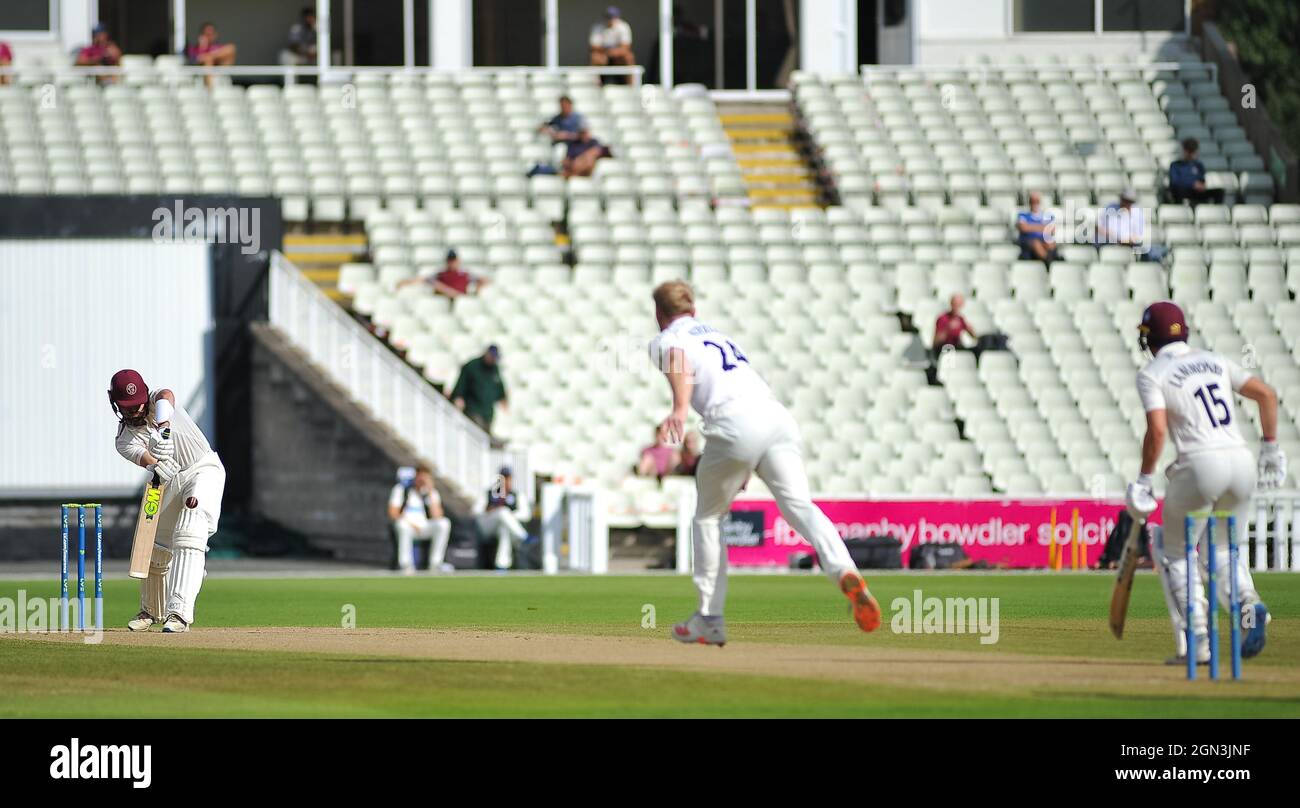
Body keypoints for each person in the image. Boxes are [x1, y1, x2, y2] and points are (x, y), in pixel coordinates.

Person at [648, 280, 880, 645]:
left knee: (708, 518)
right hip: (775, 417)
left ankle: (710, 617)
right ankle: (845, 570)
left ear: (660, 314)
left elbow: (677, 360)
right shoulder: (718, 335)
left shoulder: (667, 338)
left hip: (733, 422)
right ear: (693, 310)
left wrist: (678, 409)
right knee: (800, 506)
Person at [1125, 301, 1284, 666]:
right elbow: (1267, 395)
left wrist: (1145, 480)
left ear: (1149, 338)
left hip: (1199, 464)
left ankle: (1199, 641)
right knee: (1226, 550)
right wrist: (1271, 448)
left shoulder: (1153, 373)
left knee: (1176, 551)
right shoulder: (1214, 360)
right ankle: (1249, 606)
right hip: (1242, 462)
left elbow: (1158, 429)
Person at [109, 369, 226, 634]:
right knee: (157, 547)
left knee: (190, 530)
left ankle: (179, 614)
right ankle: (151, 611)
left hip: (202, 468)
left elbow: (166, 395)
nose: (134, 412)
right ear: (115, 403)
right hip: (167, 481)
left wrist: (163, 429)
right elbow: (147, 461)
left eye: (137, 405)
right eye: (126, 408)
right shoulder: (124, 441)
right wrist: (158, 463)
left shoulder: (157, 403)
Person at [388, 465, 453, 573]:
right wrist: (412, 524)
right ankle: (405, 564)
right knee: (402, 525)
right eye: (421, 477)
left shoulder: (431, 493)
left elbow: (438, 516)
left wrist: (430, 492)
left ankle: (435, 563)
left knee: (444, 523)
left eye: (426, 477)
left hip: (425, 527)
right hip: (408, 526)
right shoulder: (402, 490)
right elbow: (393, 513)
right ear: (415, 476)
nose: (422, 480)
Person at [479, 467, 530, 570]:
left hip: (506, 529)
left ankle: (502, 565)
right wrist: (490, 510)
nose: (505, 481)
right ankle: (523, 536)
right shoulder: (489, 493)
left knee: (504, 528)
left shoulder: (517, 495)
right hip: (487, 528)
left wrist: (509, 516)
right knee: (502, 512)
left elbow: (526, 514)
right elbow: (476, 511)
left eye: (507, 478)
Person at [1097, 188, 1166, 262]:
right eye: (1125, 200)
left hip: (1130, 245)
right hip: (1110, 243)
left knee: (1149, 250)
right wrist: (1113, 237)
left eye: (1129, 201)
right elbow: (1098, 228)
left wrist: (1124, 240)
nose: (1126, 203)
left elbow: (1137, 236)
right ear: (1121, 199)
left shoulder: (1137, 213)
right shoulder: (1110, 208)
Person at [451, 345, 508, 435]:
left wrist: (503, 397)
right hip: (473, 407)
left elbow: (499, 385)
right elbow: (462, 383)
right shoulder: (472, 366)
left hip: (488, 411)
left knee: (485, 434)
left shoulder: (494, 368)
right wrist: (459, 396)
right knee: (477, 433)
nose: (493, 359)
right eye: (492, 357)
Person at [398, 249, 487, 299]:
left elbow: (483, 280)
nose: (452, 263)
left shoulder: (464, 275)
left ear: (458, 261)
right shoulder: (442, 274)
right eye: (450, 260)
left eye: (454, 260)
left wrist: (477, 292)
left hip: (461, 302)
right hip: (444, 301)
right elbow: (424, 279)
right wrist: (406, 282)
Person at [1168, 138, 1224, 206]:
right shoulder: (1175, 165)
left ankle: (1216, 212)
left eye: (1193, 151)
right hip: (1183, 191)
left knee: (1219, 192)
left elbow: (1202, 180)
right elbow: (1174, 182)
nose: (1191, 154)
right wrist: (1192, 184)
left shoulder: (1198, 165)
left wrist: (1201, 185)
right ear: (1184, 151)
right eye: (1189, 151)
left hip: (1196, 192)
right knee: (1177, 191)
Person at [589, 6, 635, 84]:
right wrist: (607, 52)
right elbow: (593, 47)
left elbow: (626, 47)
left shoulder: (623, 27)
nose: (611, 19)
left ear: (617, 17)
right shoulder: (598, 27)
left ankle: (631, 86)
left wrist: (612, 52)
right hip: (603, 55)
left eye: (613, 17)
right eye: (609, 17)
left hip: (618, 57)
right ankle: (596, 87)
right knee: (595, 58)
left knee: (629, 57)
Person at [1016, 190, 1058, 264]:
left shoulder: (1047, 215)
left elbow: (1052, 230)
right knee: (1036, 243)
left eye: (1037, 201)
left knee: (1050, 242)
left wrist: (1031, 227)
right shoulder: (1023, 215)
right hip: (1028, 243)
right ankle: (1049, 262)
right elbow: (1023, 228)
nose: (1034, 203)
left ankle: (1050, 261)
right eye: (1032, 201)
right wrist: (1043, 228)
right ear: (1029, 202)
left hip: (1043, 241)